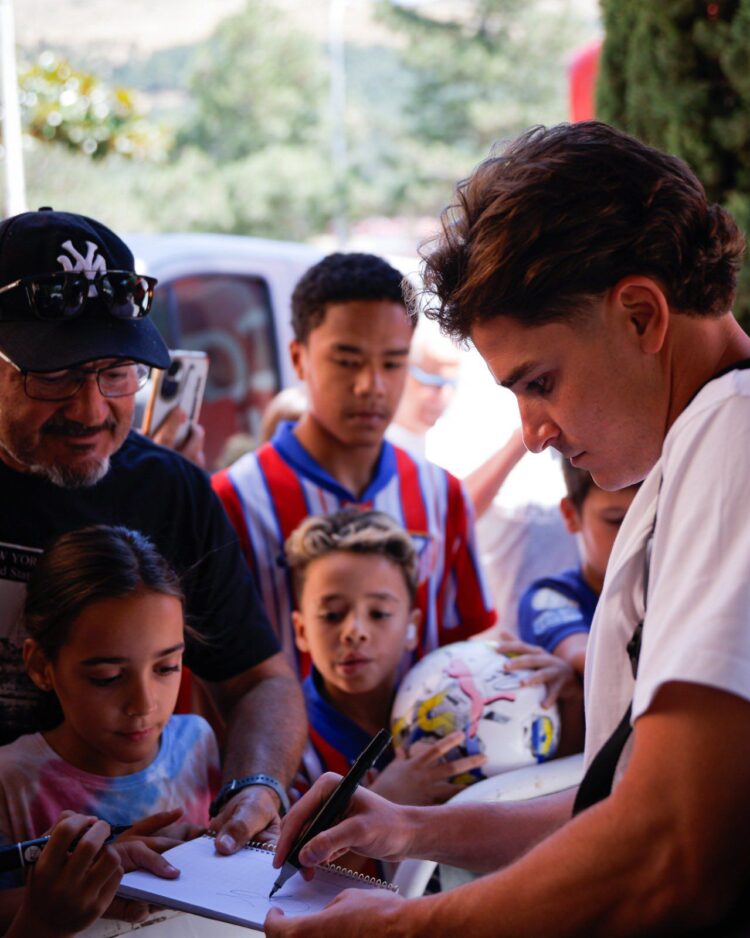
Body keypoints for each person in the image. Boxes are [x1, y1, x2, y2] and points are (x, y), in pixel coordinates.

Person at [265, 121, 750, 937]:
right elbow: (621, 802)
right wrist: (413, 827)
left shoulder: (730, 434)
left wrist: (402, 928)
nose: (534, 431)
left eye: (541, 382)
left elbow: (674, 849)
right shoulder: (702, 442)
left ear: (640, 315)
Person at [0, 208, 306, 857]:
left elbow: (259, 680)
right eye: (54, 375)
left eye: (117, 373)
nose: (90, 410)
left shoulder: (169, 491)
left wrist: (255, 788)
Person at [213, 252, 495, 673]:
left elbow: (461, 652)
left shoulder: (442, 495)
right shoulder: (231, 501)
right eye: (347, 361)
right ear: (298, 359)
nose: (372, 386)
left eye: (393, 362)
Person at [286, 509, 485, 806]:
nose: (354, 632)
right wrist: (384, 801)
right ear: (301, 631)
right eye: (332, 615)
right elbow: (279, 853)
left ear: (412, 627)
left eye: (379, 613)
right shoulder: (285, 741)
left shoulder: (461, 702)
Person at [518, 462, 640, 676]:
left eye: (653, 520)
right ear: (570, 515)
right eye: (616, 520)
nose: (637, 536)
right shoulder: (550, 596)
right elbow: (583, 657)